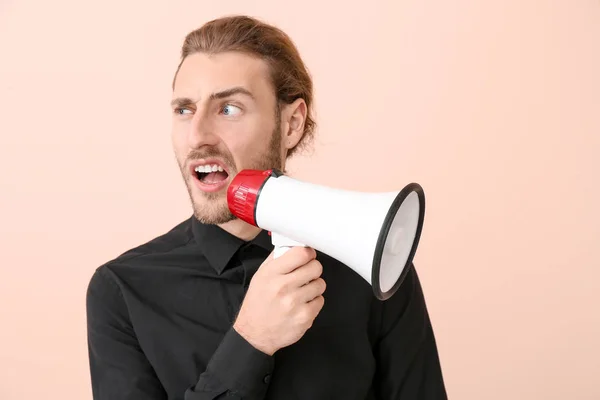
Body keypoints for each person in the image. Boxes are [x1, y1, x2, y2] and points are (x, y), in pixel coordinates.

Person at [85, 15, 447, 400]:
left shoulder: (374, 269)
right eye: (184, 110)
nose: (198, 136)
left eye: (229, 109)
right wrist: (250, 342)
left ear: (292, 124)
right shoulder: (123, 292)